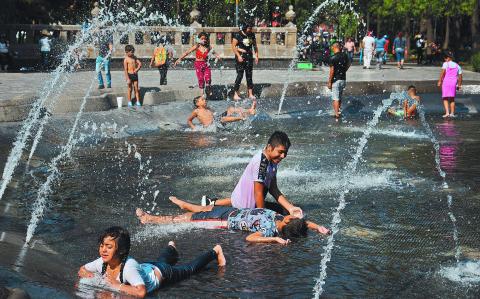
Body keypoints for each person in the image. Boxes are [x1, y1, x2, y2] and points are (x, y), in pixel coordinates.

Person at [78, 226, 225, 298]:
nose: (103, 250)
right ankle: (171, 248)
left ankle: (215, 251)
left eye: (109, 247)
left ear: (121, 251)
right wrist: (89, 276)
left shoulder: (128, 267)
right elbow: (82, 269)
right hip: (147, 268)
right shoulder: (102, 262)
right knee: (161, 260)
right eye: (102, 245)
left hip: (163, 273)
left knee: (189, 269)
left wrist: (117, 286)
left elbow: (141, 292)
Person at [136, 197, 331, 245]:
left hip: (223, 221)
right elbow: (303, 223)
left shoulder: (269, 230)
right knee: (205, 209)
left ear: (287, 223)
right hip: (232, 211)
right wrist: (318, 228)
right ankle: (185, 204)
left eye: (291, 218)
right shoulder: (282, 219)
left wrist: (273, 240)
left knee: (188, 220)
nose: (291, 214)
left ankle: (150, 219)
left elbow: (250, 239)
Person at [205, 131, 303, 218]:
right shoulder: (261, 163)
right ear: (269, 147)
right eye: (280, 152)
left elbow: (273, 189)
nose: (283, 156)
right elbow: (258, 193)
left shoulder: (273, 162)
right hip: (244, 210)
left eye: (285, 153)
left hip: (250, 205)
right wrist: (263, 216)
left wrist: (290, 208)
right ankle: (210, 205)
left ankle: (213, 202)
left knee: (288, 211)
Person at [187, 95, 256, 130]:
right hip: (210, 127)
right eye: (202, 100)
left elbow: (215, 115)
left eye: (205, 99)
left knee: (230, 109)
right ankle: (241, 117)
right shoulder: (196, 111)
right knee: (222, 119)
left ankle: (249, 110)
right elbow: (189, 120)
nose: (205, 100)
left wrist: (216, 114)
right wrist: (194, 128)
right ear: (197, 103)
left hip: (216, 122)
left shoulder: (208, 108)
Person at [232, 23, 259, 100]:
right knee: (240, 75)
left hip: (249, 57)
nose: (250, 30)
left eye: (251, 28)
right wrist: (238, 55)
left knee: (249, 76)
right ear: (244, 28)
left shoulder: (252, 35)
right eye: (249, 28)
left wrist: (256, 56)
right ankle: (235, 94)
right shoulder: (238, 34)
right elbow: (233, 46)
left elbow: (255, 46)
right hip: (240, 57)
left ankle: (250, 93)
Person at [328, 42, 350, 119]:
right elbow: (348, 64)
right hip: (343, 79)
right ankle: (338, 111)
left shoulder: (332, 57)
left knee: (335, 98)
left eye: (332, 48)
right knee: (339, 97)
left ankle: (337, 114)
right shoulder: (345, 55)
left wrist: (329, 82)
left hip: (335, 80)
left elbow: (332, 71)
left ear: (334, 47)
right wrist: (344, 71)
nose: (332, 49)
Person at [438, 51, 462, 118]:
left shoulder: (445, 64)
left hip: (446, 82)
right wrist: (459, 85)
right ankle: (452, 113)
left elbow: (442, 73)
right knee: (452, 98)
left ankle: (447, 113)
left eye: (445, 58)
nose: (445, 60)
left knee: (445, 98)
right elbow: (460, 77)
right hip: (453, 82)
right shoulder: (457, 66)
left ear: (448, 58)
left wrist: (439, 81)